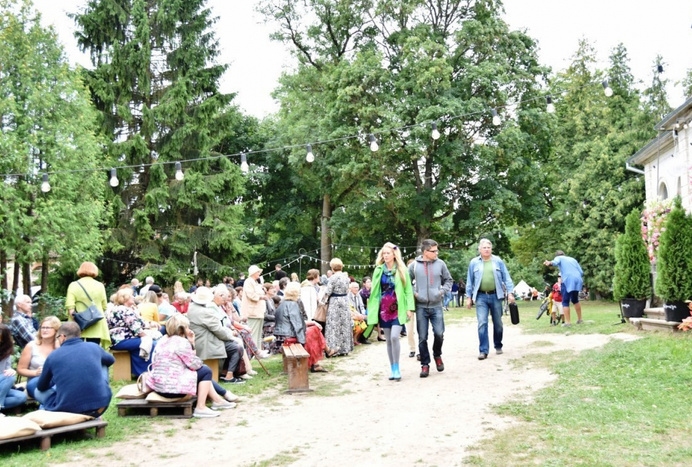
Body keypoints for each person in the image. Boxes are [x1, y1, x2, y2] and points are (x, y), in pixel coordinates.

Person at [146, 314, 235, 418]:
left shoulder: (163, 341)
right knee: (205, 371)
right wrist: (192, 343)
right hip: (173, 390)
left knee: (201, 373)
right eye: (187, 327)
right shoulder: (182, 343)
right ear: (182, 329)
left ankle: (218, 400)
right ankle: (201, 407)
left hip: (159, 387)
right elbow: (195, 365)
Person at [34, 322, 114, 417]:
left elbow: (41, 387)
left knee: (37, 392)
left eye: (58, 337)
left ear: (63, 337)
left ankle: (47, 408)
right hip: (100, 407)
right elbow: (111, 360)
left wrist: (55, 379)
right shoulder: (93, 346)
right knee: (103, 363)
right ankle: (99, 392)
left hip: (68, 410)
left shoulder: (53, 356)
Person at [368, 243, 415, 381]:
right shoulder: (378, 270)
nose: (385, 255)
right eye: (384, 253)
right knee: (388, 339)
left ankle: (398, 366)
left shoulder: (402, 269)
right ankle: (393, 368)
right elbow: (374, 291)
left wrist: (410, 308)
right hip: (384, 309)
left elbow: (408, 290)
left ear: (394, 254)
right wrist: (372, 310)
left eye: (388, 253)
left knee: (395, 336)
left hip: (398, 308)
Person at [466, 238, 515, 360]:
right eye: (484, 247)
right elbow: (469, 281)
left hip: (496, 295)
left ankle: (498, 344)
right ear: (479, 249)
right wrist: (469, 297)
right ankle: (483, 350)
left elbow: (507, 278)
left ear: (491, 249)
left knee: (498, 323)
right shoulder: (474, 263)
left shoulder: (498, 261)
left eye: (488, 247)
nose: (486, 249)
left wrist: (510, 293)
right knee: (482, 323)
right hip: (481, 296)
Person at [409, 239, 453, 377]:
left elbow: (449, 280)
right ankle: (425, 364)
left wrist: (441, 292)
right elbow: (406, 283)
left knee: (439, 334)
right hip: (421, 306)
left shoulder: (440, 264)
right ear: (425, 252)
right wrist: (414, 293)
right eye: (434, 251)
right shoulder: (414, 266)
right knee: (422, 337)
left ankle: (437, 355)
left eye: (436, 250)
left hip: (436, 306)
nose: (436, 253)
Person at [188, 286, 246, 384]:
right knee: (236, 347)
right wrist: (231, 336)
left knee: (234, 344)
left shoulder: (192, 307)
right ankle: (229, 376)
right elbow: (218, 330)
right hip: (207, 343)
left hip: (199, 341)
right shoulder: (205, 312)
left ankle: (226, 372)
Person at [274, 282, 330, 373]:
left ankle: (317, 361)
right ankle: (316, 362)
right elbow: (298, 325)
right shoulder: (292, 304)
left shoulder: (283, 303)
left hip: (281, 335)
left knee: (313, 330)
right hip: (288, 336)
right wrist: (302, 341)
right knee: (313, 333)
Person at [108, 288, 158, 377]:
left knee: (143, 344)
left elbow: (139, 323)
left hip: (118, 340)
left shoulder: (119, 309)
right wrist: (148, 336)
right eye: (131, 296)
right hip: (121, 340)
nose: (133, 297)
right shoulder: (125, 310)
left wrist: (149, 324)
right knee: (152, 343)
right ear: (126, 298)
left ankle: (139, 371)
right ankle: (145, 372)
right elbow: (136, 329)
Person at [65, 261, 111, 348]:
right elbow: (104, 306)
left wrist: (80, 325)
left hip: (78, 326)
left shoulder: (73, 285)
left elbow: (70, 308)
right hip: (96, 323)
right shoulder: (100, 285)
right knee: (93, 351)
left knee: (77, 351)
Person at [16, 316, 61, 398]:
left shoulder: (61, 346)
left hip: (57, 379)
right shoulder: (31, 345)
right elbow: (20, 369)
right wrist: (35, 372)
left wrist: (59, 349)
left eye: (48, 328)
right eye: (42, 327)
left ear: (56, 330)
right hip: (36, 380)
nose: (44, 330)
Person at [544, 251, 584, 327]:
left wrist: (550, 263)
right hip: (578, 279)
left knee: (565, 301)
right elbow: (581, 272)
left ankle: (568, 323)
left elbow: (555, 262)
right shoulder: (572, 259)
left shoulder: (559, 258)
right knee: (575, 300)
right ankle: (580, 319)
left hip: (567, 280)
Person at [323, 258, 353, 356]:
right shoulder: (346, 277)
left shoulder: (333, 278)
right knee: (344, 324)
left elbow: (328, 291)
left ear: (332, 267)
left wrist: (322, 301)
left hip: (335, 302)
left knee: (334, 325)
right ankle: (345, 348)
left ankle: (334, 348)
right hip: (344, 301)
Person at [0, 324, 28, 412]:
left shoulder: (5, 353)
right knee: (9, 377)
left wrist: (11, 370)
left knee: (21, 397)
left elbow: (5, 372)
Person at [241, 265, 266, 350]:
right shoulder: (248, 282)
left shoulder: (255, 282)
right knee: (253, 333)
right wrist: (261, 297)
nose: (259, 274)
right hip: (252, 312)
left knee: (259, 334)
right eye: (258, 272)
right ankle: (253, 352)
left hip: (258, 311)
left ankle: (258, 351)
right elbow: (250, 294)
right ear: (253, 273)